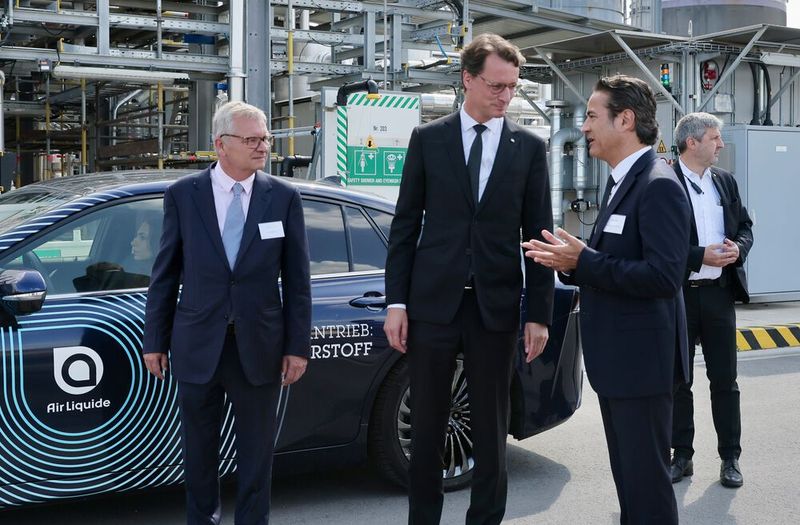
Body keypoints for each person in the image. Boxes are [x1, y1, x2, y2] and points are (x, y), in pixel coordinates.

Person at [384, 33, 554, 525]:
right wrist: (397, 302)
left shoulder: (529, 148)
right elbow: (405, 225)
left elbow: (538, 238)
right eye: (497, 86)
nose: (506, 96)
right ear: (467, 79)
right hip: (432, 305)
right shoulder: (428, 139)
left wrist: (538, 315)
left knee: (490, 427)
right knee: (428, 426)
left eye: (512, 87)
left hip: (495, 308)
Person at [523, 75, 691, 524]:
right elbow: (614, 264)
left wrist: (584, 262)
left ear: (627, 120)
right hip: (621, 365)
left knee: (647, 489)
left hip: (641, 367)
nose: (584, 127)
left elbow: (664, 275)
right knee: (631, 487)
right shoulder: (622, 182)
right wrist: (571, 262)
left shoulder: (657, 185)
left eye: (593, 117)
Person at [143, 101, 311, 525]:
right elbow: (165, 273)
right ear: (221, 144)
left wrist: (297, 347)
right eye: (252, 139)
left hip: (259, 347)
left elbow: (297, 280)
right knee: (199, 454)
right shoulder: (183, 194)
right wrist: (154, 341)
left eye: (265, 139)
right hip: (198, 345)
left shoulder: (284, 197)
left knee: (257, 459)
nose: (263, 147)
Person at [669, 112, 753, 488]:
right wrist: (697, 256)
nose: (720, 144)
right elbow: (656, 243)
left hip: (719, 296)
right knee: (677, 380)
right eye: (715, 138)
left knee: (726, 381)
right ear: (692, 142)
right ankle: (681, 455)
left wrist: (739, 248)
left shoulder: (725, 181)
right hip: (679, 297)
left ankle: (730, 459)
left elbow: (746, 226)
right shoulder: (664, 182)